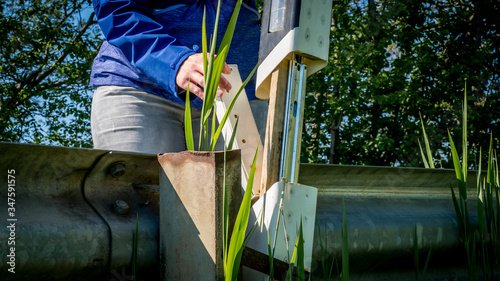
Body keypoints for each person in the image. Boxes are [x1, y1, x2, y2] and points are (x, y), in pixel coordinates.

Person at [90, 0, 267, 154]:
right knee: (146, 189)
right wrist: (173, 60)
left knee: (247, 191)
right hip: (139, 88)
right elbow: (118, 8)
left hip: (236, 93)